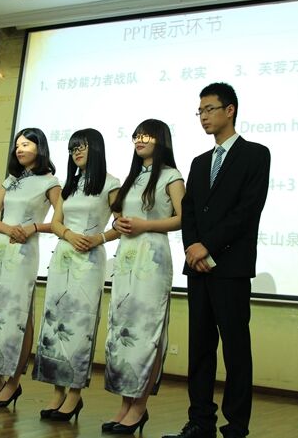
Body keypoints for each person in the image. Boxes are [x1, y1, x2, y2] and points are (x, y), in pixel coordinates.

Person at [163, 83, 270, 438]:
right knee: (200, 348)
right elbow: (190, 210)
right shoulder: (199, 162)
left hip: (231, 268)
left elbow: (247, 211)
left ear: (230, 110)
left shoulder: (256, 155)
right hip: (198, 268)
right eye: (200, 111)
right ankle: (200, 421)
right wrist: (192, 247)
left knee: (236, 349)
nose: (204, 117)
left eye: (210, 109)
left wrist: (207, 246)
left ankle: (236, 425)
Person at [103, 119, 185, 434]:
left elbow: (182, 218)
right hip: (126, 255)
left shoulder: (171, 175)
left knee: (147, 332)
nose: (139, 140)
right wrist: (119, 223)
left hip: (152, 256)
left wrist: (145, 225)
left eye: (146, 135)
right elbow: (120, 214)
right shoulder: (134, 176)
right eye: (136, 135)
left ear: (160, 140)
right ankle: (125, 404)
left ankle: (139, 407)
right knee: (123, 330)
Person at [32, 128, 120, 421]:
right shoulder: (69, 185)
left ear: (96, 148)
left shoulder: (111, 183)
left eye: (81, 147)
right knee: (55, 324)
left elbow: (122, 224)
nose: (76, 153)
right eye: (72, 149)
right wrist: (69, 234)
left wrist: (99, 238)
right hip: (63, 258)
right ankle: (57, 392)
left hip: (90, 260)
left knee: (80, 326)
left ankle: (74, 394)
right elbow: (56, 222)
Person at [0, 127, 60, 408]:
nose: (20, 149)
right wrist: (9, 229)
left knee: (20, 315)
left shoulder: (51, 182)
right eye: (18, 145)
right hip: (1, 248)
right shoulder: (10, 180)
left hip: (24, 251)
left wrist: (33, 227)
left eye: (26, 145)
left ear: (40, 148)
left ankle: (13, 382)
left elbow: (60, 221)